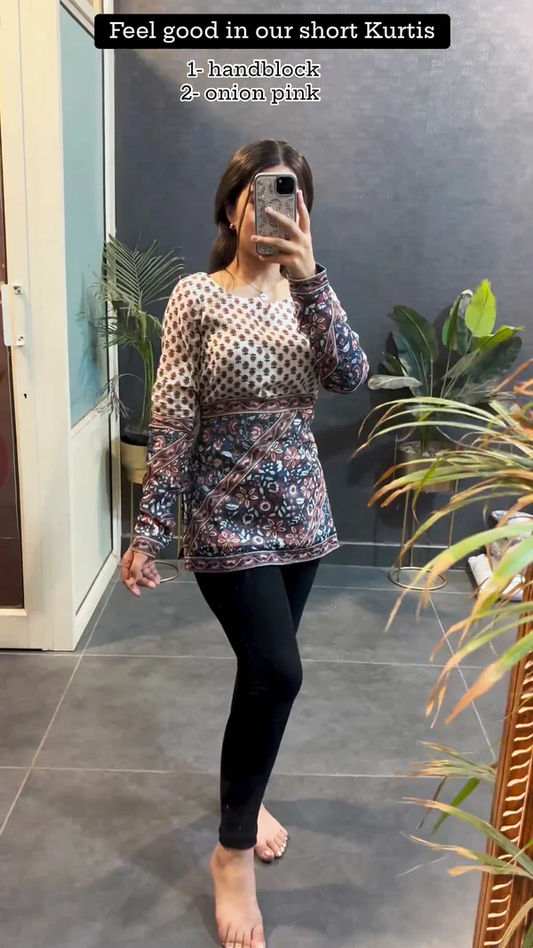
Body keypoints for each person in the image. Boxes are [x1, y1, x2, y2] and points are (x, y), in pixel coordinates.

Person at [121, 139, 369, 948]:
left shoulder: (309, 291)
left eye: (289, 197)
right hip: (224, 517)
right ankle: (230, 852)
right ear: (231, 207)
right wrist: (151, 530)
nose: (270, 211)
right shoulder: (195, 296)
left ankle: (246, 797)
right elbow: (172, 417)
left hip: (300, 516)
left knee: (262, 677)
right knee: (278, 671)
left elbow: (348, 376)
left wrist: (310, 277)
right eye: (256, 194)